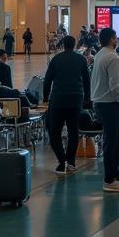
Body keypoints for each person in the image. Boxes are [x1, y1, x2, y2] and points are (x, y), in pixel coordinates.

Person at [91, 28, 119, 192]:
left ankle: (113, 177)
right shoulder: (113, 57)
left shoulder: (100, 54)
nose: (117, 40)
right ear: (112, 39)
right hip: (111, 104)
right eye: (116, 37)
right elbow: (116, 85)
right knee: (114, 143)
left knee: (109, 141)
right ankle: (111, 179)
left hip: (100, 102)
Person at [43, 35, 91, 175]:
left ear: (63, 44)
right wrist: (87, 98)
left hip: (58, 99)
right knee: (73, 131)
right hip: (76, 99)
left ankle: (61, 161)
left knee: (54, 132)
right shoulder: (81, 59)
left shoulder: (56, 59)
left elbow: (47, 80)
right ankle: (71, 162)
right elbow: (87, 80)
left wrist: (46, 97)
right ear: (75, 44)